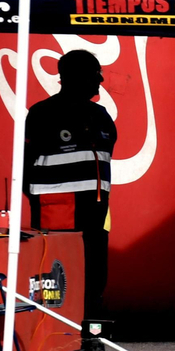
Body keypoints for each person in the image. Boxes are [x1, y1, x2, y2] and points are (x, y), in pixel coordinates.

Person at [24, 49, 117, 318]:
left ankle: (88, 336)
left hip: (96, 213)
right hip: (57, 215)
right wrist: (42, 201)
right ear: (75, 77)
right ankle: (55, 336)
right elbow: (25, 166)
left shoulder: (101, 115)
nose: (100, 80)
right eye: (95, 73)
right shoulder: (43, 113)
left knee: (95, 276)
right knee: (57, 276)